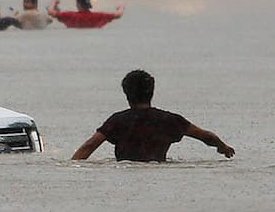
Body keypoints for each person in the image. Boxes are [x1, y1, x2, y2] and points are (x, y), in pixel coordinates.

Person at [72, 69, 235, 162]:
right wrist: (223, 147)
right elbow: (206, 136)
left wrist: (72, 166)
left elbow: (89, 145)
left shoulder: (118, 121)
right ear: (152, 92)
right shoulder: (170, 120)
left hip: (124, 172)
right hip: (158, 168)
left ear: (126, 94)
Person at [47, 0, 123, 28]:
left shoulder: (70, 15)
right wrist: (120, 7)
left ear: (78, 3)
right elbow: (118, 15)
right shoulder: (99, 16)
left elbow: (50, 12)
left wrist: (54, 2)